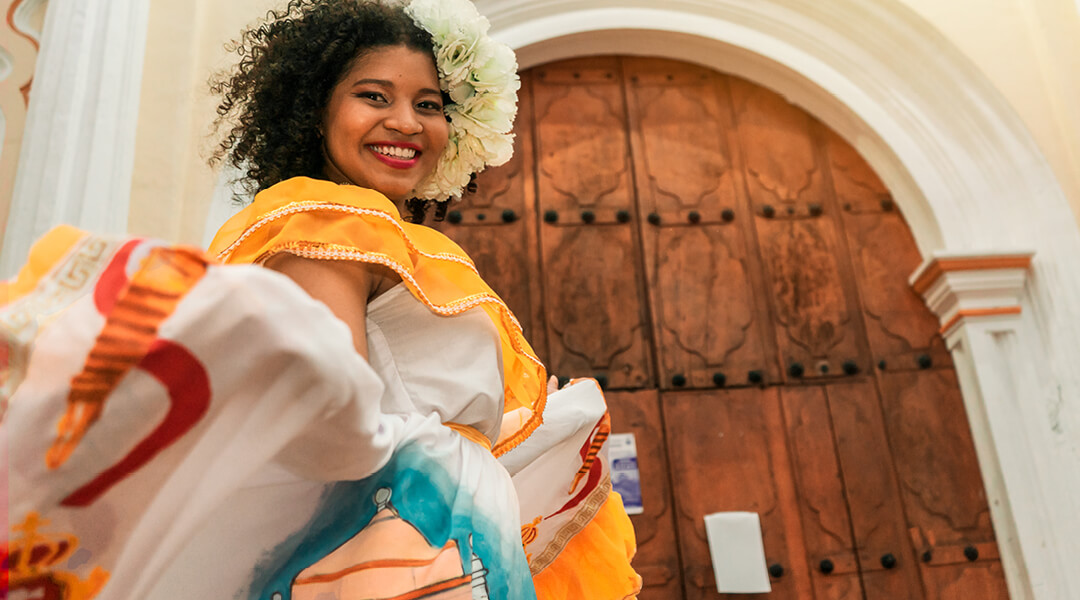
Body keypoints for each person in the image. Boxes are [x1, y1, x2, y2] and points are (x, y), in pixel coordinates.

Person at [1, 1, 641, 598]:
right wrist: (448, 455)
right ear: (315, 110)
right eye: (373, 96)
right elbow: (330, 408)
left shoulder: (378, 232)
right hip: (402, 531)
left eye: (430, 103)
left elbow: (380, 397)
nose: (407, 122)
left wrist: (513, 430)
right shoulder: (333, 220)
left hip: (427, 517)